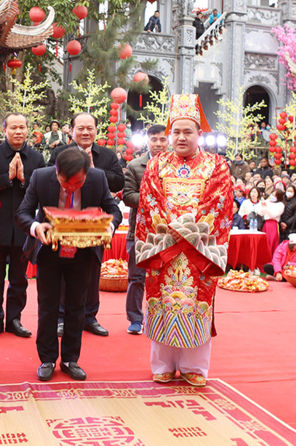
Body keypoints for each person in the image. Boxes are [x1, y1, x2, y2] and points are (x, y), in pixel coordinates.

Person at [134, 94, 232, 387]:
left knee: (195, 304)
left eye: (187, 131)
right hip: (163, 250)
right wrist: (176, 230)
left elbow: (218, 204)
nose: (180, 137)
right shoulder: (155, 166)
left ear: (199, 134)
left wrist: (183, 232)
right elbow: (150, 202)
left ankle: (194, 366)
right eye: (175, 131)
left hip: (197, 252)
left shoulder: (216, 166)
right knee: (163, 303)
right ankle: (162, 364)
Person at [16, 146, 122, 382]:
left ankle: (70, 359)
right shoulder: (40, 177)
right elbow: (22, 213)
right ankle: (47, 359)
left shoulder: (98, 177)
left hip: (83, 251)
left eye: (78, 183)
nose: (72, 188)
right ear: (56, 172)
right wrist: (36, 227)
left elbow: (114, 210)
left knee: (77, 307)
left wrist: (109, 226)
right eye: (66, 183)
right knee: (48, 307)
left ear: (87, 173)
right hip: (50, 251)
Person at [48, 112, 125, 336]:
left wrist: (93, 171)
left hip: (95, 224)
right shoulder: (60, 152)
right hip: (66, 222)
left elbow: (119, 181)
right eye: (80, 128)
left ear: (95, 131)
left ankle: (89, 317)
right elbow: (51, 179)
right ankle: (62, 317)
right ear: (71, 131)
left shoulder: (107, 155)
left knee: (92, 271)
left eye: (89, 128)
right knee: (65, 272)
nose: (85, 132)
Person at [0, 112, 45, 339]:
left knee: (20, 278)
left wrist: (23, 179)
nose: (18, 131)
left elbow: (43, 191)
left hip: (24, 228)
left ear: (28, 130)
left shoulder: (37, 158)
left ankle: (15, 319)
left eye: (22, 127)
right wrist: (7, 179)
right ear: (4, 130)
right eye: (13, 128)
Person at [122, 124, 168, 335]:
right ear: (147, 141)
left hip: (168, 233)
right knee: (136, 278)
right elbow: (128, 196)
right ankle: (135, 319)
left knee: (165, 278)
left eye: (162, 139)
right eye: (154, 139)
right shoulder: (135, 165)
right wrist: (154, 200)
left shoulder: (178, 167)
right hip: (139, 232)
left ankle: (162, 318)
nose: (158, 144)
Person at [260, 187, 285, 254]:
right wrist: (263, 205)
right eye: (272, 194)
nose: (272, 196)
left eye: (275, 195)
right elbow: (261, 213)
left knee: (272, 242)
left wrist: (266, 207)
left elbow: (273, 215)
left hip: (273, 224)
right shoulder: (267, 201)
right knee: (265, 242)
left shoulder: (280, 205)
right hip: (266, 223)